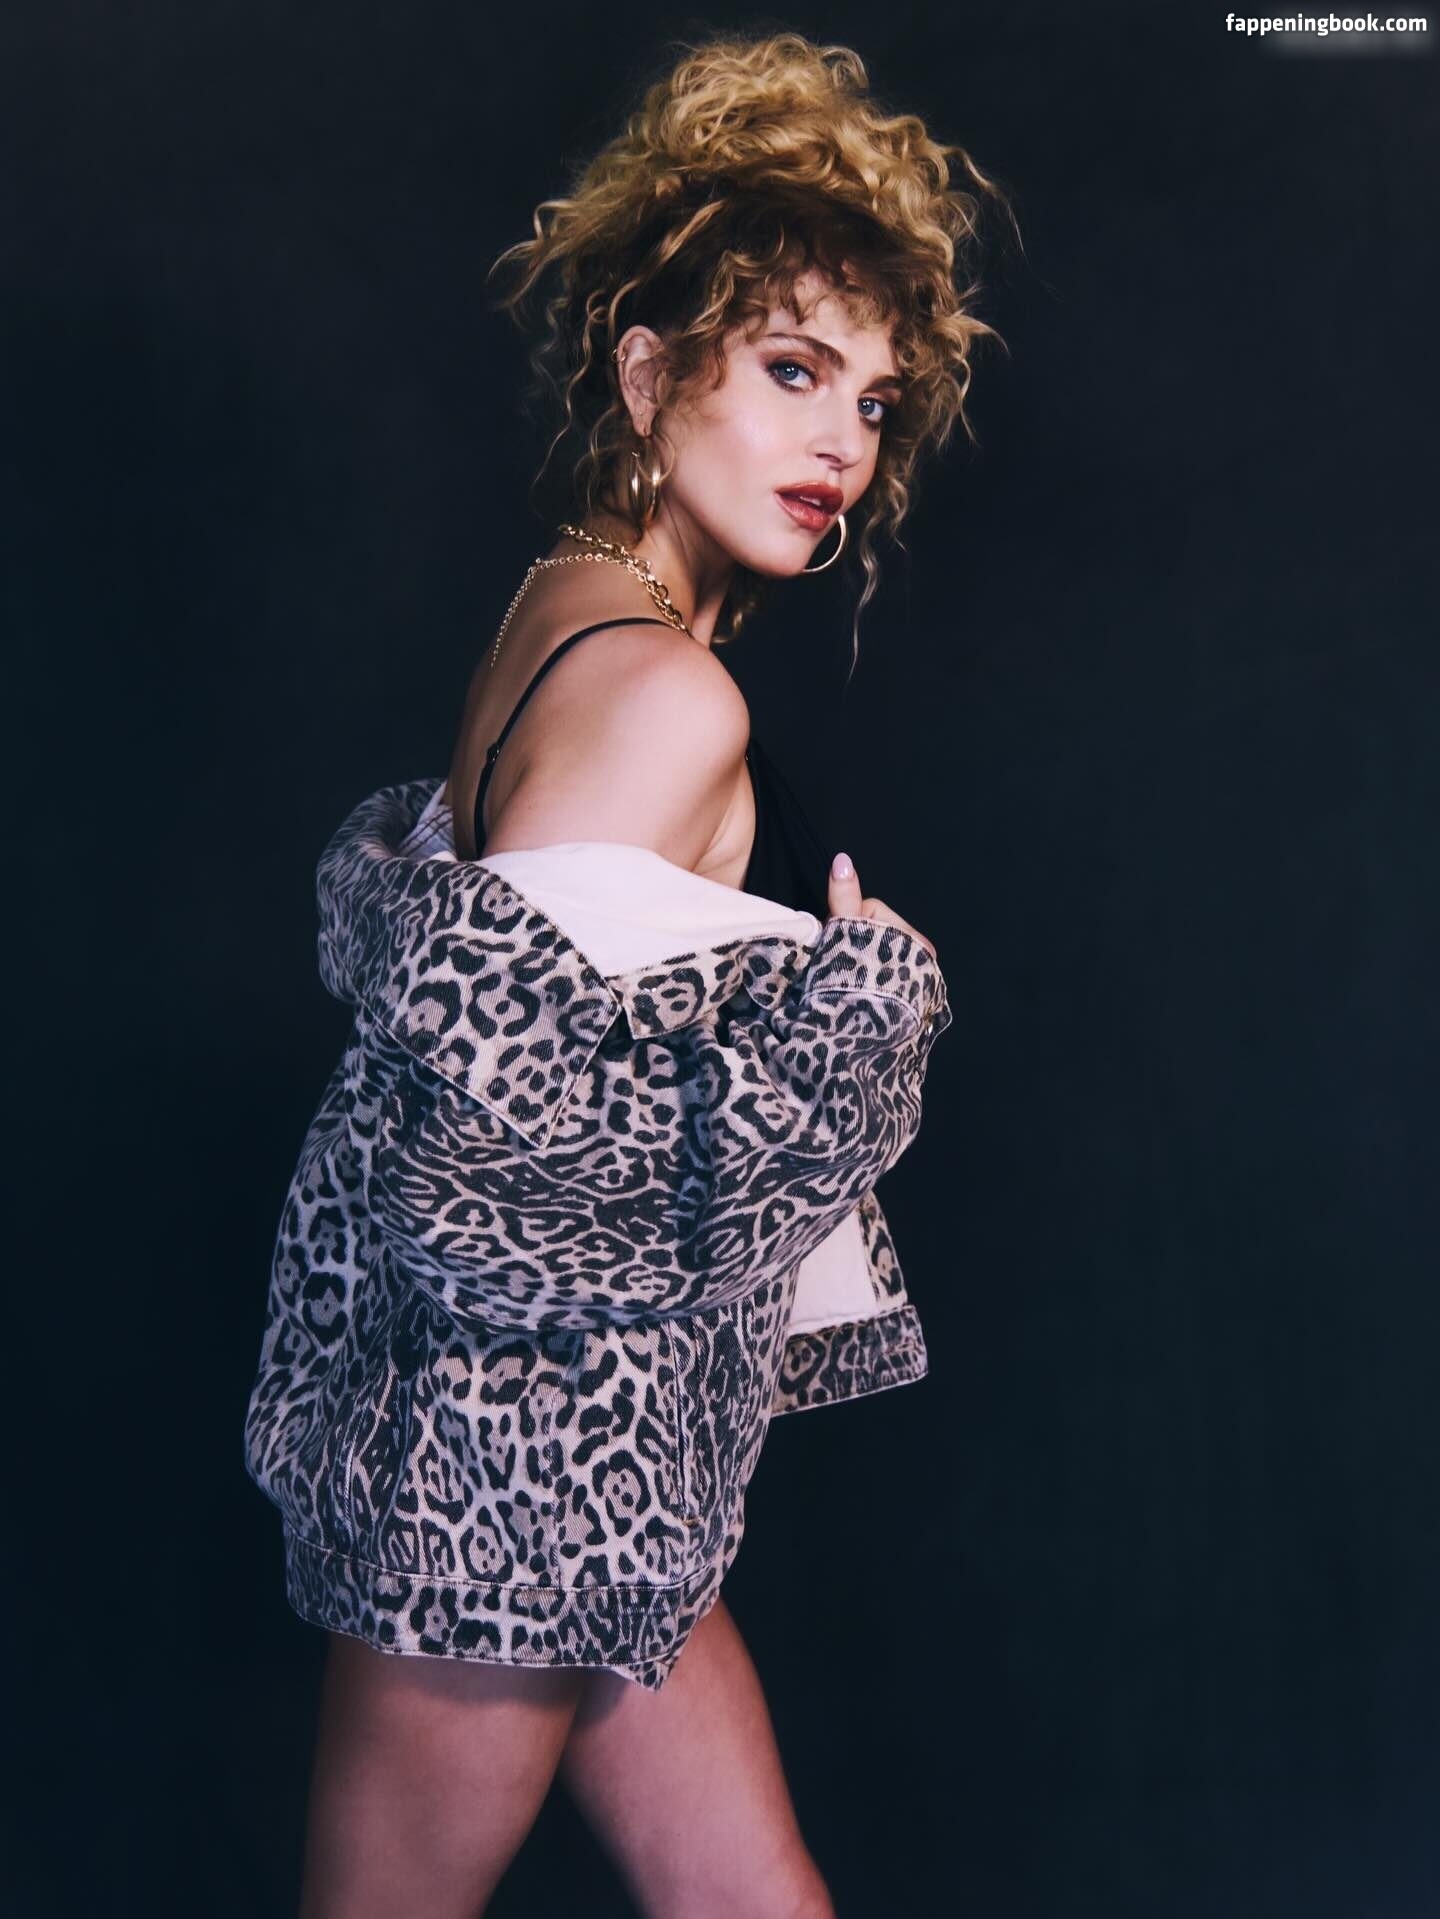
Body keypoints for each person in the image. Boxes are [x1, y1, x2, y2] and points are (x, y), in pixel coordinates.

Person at [249, 30, 1013, 1918]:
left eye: (872, 400)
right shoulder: (668, 691)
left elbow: (496, 1043)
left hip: (588, 1461)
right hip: (516, 1473)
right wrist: (861, 1025)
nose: (842, 445)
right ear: (649, 373)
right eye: (791, 370)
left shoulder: (562, 605)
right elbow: (487, 1153)